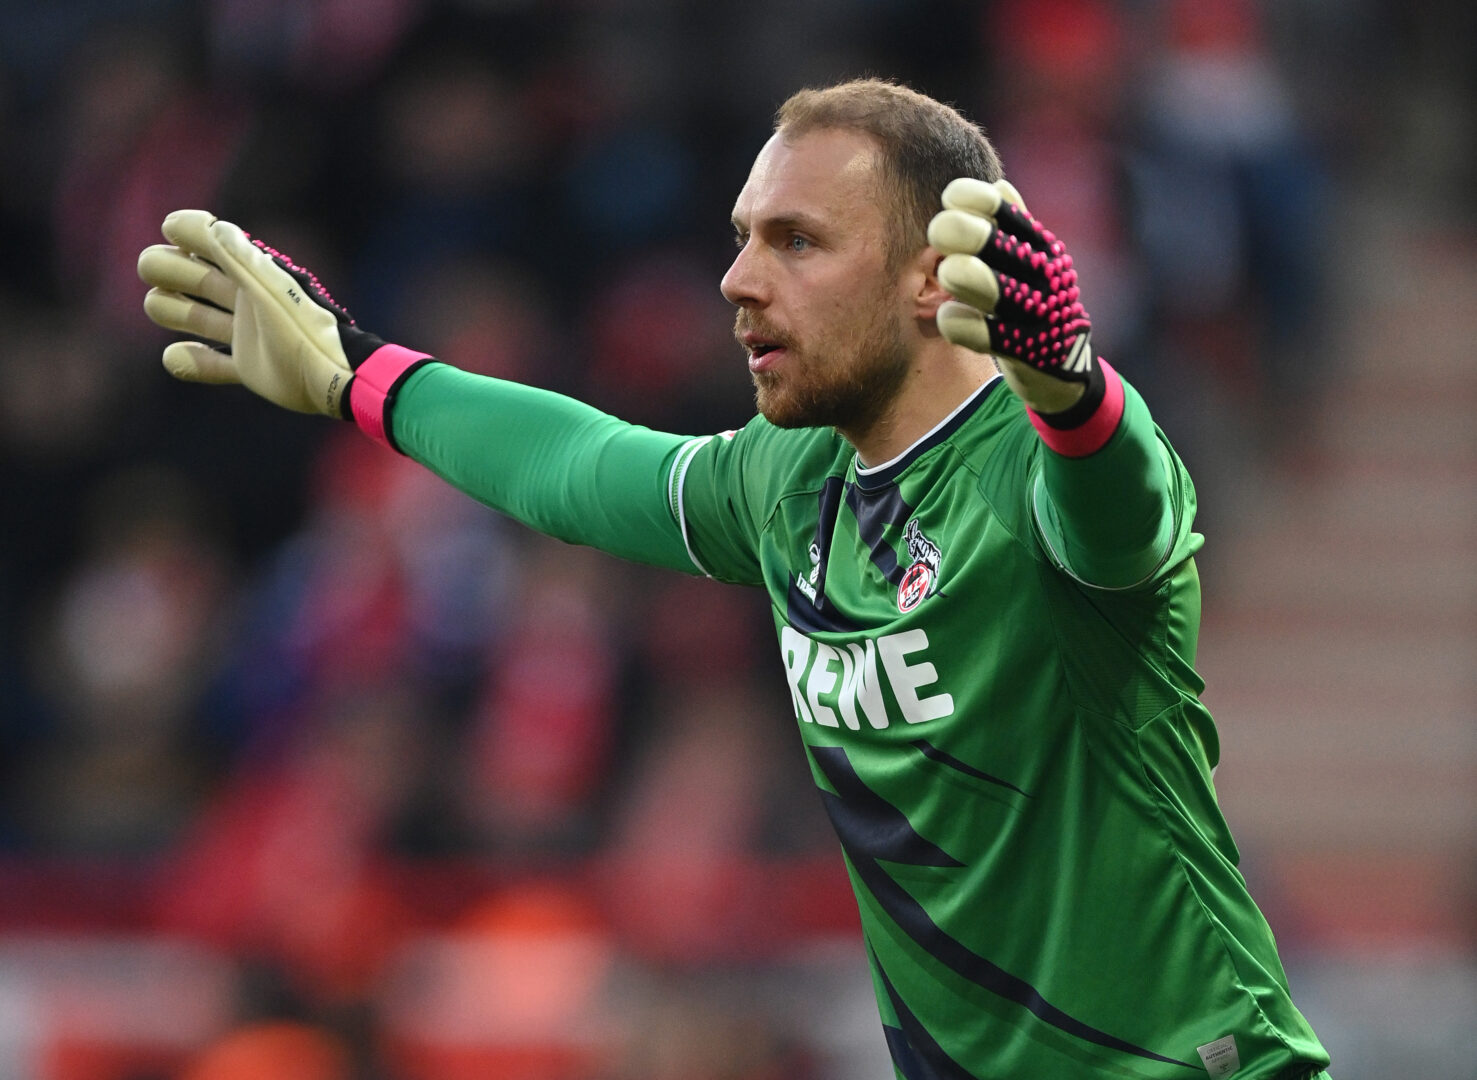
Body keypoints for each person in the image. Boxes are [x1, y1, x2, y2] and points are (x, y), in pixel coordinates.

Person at [139, 78, 1331, 1080]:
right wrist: (356, 371)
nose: (738, 277)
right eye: (744, 235)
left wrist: (1071, 386)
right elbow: (579, 470)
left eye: (796, 241)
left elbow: (1119, 513)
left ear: (929, 278)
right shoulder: (787, 478)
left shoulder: (1036, 466)